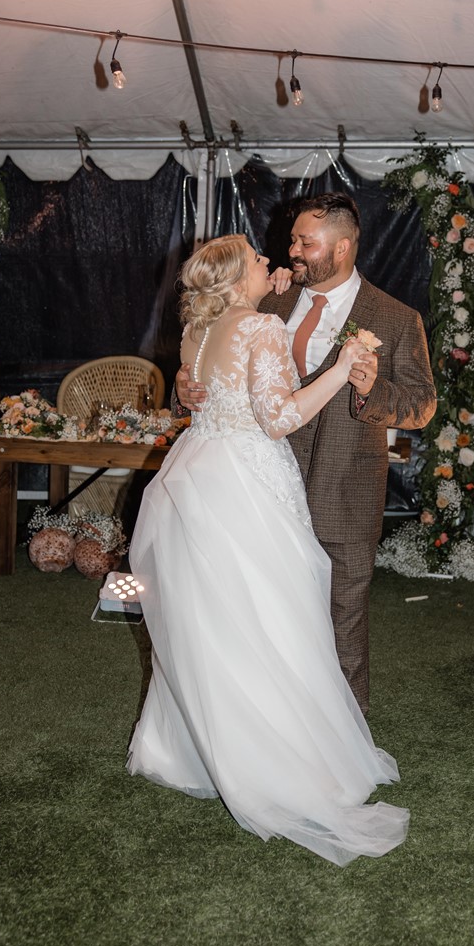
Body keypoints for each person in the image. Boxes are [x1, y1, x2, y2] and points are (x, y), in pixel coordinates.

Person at [127, 234, 409, 866]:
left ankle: (197, 749)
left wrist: (267, 296)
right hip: (250, 482)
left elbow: (202, 387)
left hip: (197, 475)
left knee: (215, 619)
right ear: (236, 279)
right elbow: (280, 419)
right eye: (259, 260)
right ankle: (279, 760)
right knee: (274, 613)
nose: (272, 264)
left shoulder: (198, 332)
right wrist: (341, 369)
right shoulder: (260, 330)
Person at [175, 194, 436, 715]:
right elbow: (217, 365)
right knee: (266, 613)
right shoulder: (266, 301)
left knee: (342, 616)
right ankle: (270, 723)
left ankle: (345, 733)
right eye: (292, 239)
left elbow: (422, 404)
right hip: (261, 485)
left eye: (305, 243)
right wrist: (186, 384)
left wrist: (370, 391)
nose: (291, 250)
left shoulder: (395, 317)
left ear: (341, 248)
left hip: (346, 484)